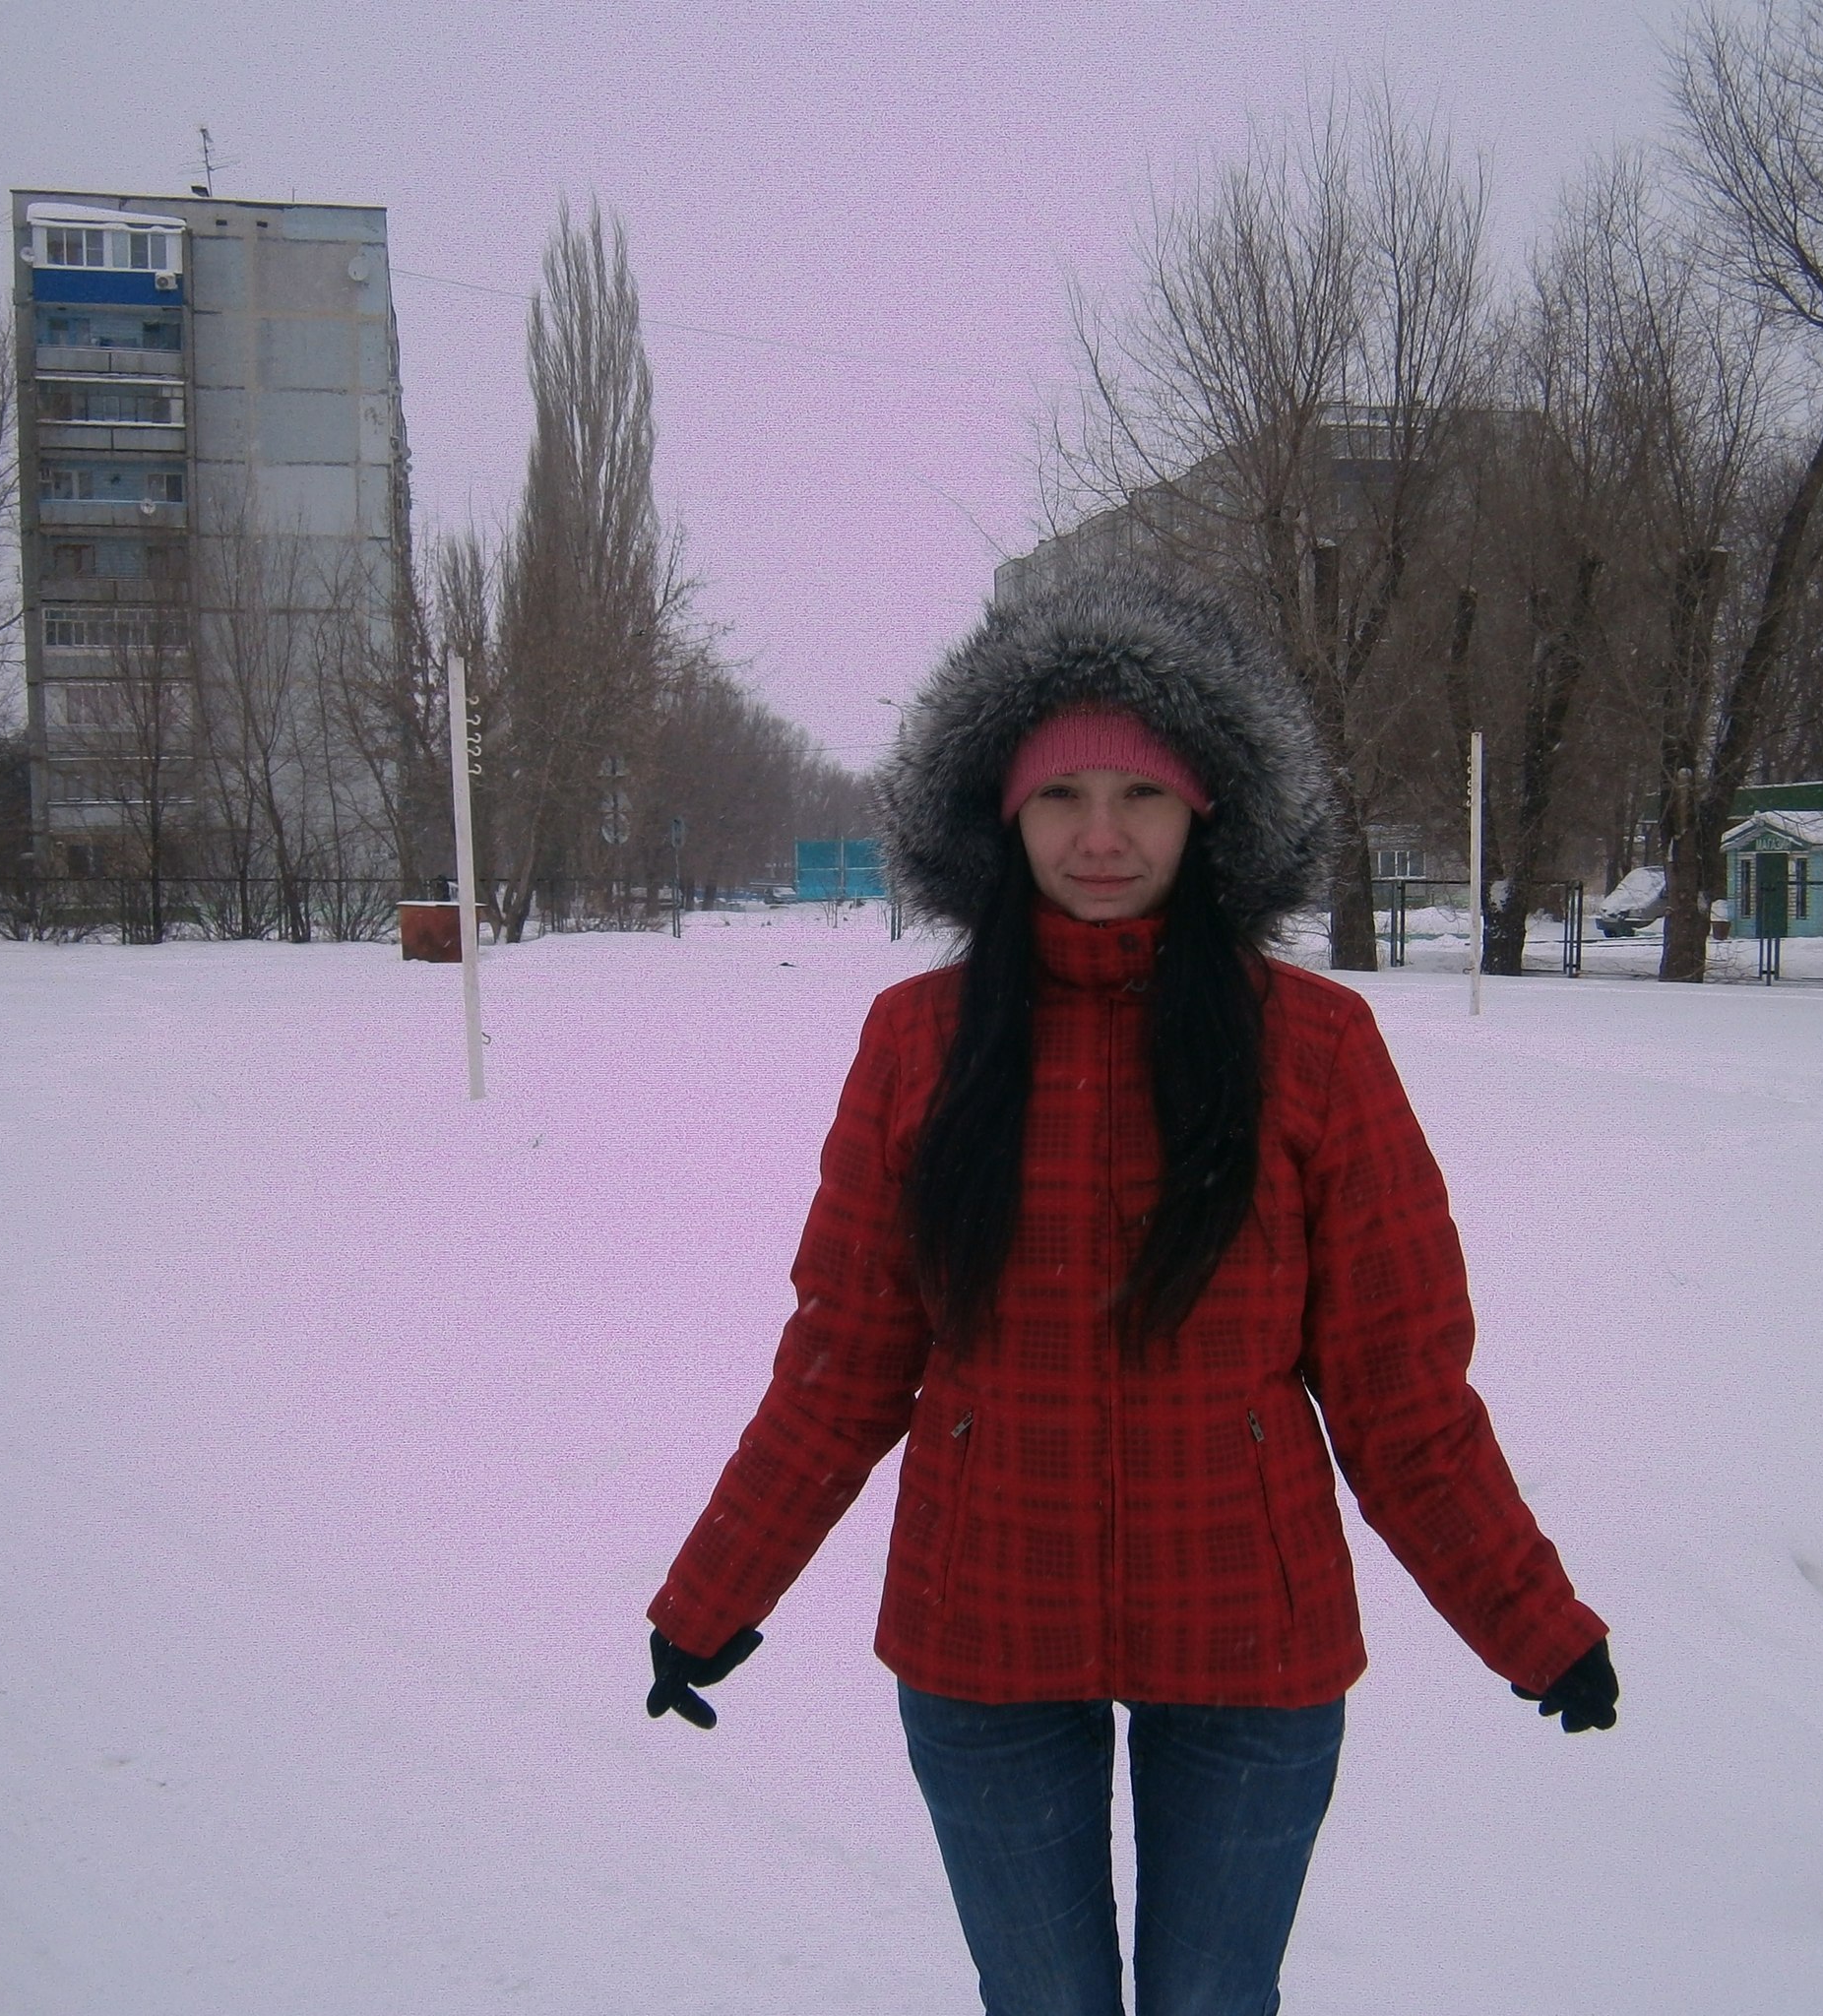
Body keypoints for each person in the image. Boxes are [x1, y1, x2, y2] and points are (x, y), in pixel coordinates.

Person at [645, 572, 1616, 2016]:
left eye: (1142, 795)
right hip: (985, 1628)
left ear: (1209, 808)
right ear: (1003, 814)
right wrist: (713, 1594)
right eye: (1061, 796)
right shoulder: (917, 1043)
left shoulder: (1316, 1047)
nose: (1101, 836)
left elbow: (1403, 1396)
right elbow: (843, 1364)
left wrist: (1534, 1624)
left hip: (1250, 1638)